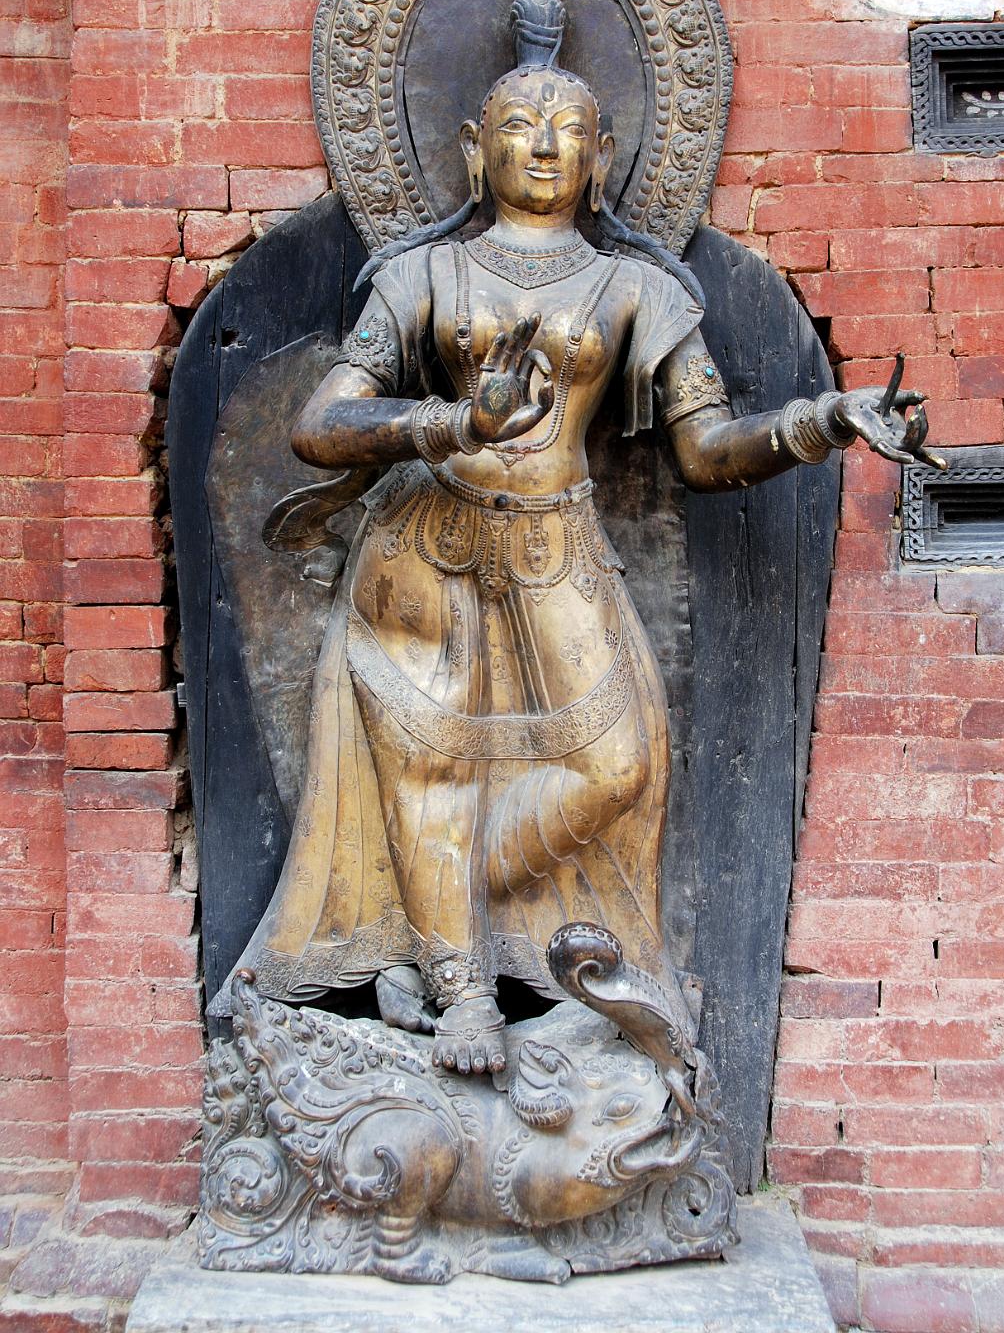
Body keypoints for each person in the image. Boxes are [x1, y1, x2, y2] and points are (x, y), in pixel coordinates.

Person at [218, 56, 940, 1077]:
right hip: (428, 538)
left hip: (559, 537)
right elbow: (321, 424)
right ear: (476, 151)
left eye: (568, 126)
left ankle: (433, 913)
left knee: (615, 764)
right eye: (519, 122)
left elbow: (707, 449)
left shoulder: (637, 287)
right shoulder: (420, 276)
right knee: (428, 767)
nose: (545, 143)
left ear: (602, 156)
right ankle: (462, 989)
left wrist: (823, 422)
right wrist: (455, 419)